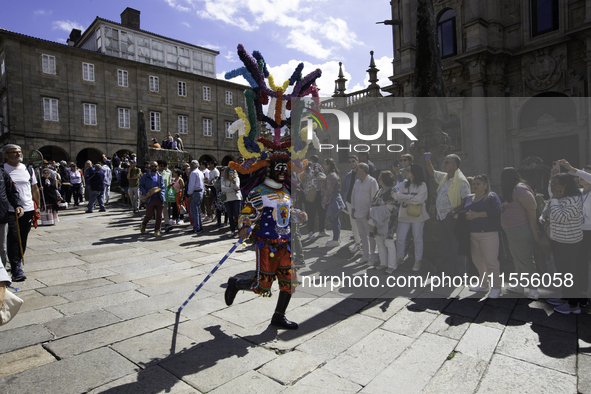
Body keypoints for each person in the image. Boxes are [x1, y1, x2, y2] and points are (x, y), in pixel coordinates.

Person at [224, 159, 298, 329]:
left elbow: (289, 212)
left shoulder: (286, 191)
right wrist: (244, 225)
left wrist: (298, 214)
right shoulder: (259, 192)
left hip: (285, 243)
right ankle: (235, 283)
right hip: (267, 244)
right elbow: (248, 211)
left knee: (290, 281)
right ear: (267, 170)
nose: (282, 172)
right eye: (277, 168)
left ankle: (279, 316)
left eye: (283, 169)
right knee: (262, 286)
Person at [542, 172, 584, 314]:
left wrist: (554, 200)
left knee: (570, 272)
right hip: (556, 239)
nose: (552, 186)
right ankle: (566, 297)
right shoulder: (555, 197)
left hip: (569, 242)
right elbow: (545, 213)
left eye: (554, 184)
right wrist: (543, 219)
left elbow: (560, 218)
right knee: (561, 270)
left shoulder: (573, 199)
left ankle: (573, 305)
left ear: (564, 185)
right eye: (551, 184)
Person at [425, 152, 471, 276]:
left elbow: (466, 200)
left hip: (452, 218)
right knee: (446, 246)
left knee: (456, 247)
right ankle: (448, 273)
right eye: (444, 162)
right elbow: (432, 172)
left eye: (446, 162)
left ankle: (460, 274)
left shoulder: (461, 181)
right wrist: (427, 159)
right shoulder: (445, 177)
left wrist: (454, 211)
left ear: (454, 165)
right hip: (442, 217)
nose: (443, 164)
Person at [500, 167, 540, 300]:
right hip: (512, 231)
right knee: (517, 259)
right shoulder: (512, 190)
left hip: (520, 229)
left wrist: (534, 230)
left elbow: (532, 208)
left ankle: (534, 289)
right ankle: (520, 285)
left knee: (526, 260)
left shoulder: (520, 188)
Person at [2, 144, 40, 282]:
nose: (18, 154)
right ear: (6, 155)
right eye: (14, 152)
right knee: (13, 238)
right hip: (10, 210)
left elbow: (34, 188)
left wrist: (38, 206)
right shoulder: (3, 170)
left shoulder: (27, 169)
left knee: (22, 238)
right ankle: (16, 267)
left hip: (28, 208)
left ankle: (17, 261)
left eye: (19, 152)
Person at [462, 174, 503, 299]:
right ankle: (484, 284)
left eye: (478, 184)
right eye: (474, 184)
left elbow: (497, 211)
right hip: (473, 233)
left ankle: (496, 287)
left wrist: (477, 215)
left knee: (491, 261)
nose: (475, 186)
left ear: (486, 185)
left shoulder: (491, 197)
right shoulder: (469, 197)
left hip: (488, 233)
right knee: (477, 261)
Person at [559, 160, 591, 308]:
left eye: (585, 174)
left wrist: (573, 169)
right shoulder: (578, 192)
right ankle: (580, 294)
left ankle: (582, 294)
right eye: (580, 175)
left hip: (590, 231)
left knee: (584, 262)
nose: (581, 177)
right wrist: (552, 177)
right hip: (579, 230)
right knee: (579, 263)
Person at [396, 164, 430, 272]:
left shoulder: (422, 185)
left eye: (409, 170)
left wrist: (405, 198)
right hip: (404, 215)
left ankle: (418, 260)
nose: (407, 172)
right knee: (400, 237)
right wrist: (411, 197)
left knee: (417, 238)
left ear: (415, 172)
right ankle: (400, 257)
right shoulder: (405, 184)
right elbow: (397, 196)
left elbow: (419, 199)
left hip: (417, 215)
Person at [0, 158, 25, 281]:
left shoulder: (2, 172)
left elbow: (11, 191)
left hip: (1, 215)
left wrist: (17, 205)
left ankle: (2, 278)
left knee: (2, 248)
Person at [369, 171, 398, 273]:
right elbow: (373, 203)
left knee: (389, 242)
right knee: (379, 241)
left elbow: (390, 207)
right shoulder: (379, 191)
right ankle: (383, 263)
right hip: (377, 220)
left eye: (380, 178)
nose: (378, 179)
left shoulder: (392, 191)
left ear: (385, 179)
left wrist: (374, 211)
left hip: (388, 221)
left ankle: (392, 265)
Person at [351, 163, 379, 265]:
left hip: (367, 214)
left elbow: (375, 199)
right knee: (362, 235)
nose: (355, 171)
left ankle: (373, 257)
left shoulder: (372, 181)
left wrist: (370, 212)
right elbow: (353, 197)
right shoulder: (357, 182)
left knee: (370, 236)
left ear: (362, 171)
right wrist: (353, 209)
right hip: (358, 213)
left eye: (357, 169)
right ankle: (365, 256)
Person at [301, 155, 328, 239]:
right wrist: (308, 168)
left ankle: (321, 230)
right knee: (311, 214)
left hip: (319, 193)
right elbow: (303, 178)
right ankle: (311, 232)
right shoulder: (305, 172)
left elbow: (323, 176)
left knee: (321, 212)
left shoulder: (319, 168)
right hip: (310, 194)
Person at [321, 158, 345, 248]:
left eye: (325, 164)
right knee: (335, 220)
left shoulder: (331, 175)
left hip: (332, 200)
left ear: (329, 165)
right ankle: (336, 238)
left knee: (334, 220)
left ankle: (335, 240)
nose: (324, 165)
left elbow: (329, 191)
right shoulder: (334, 174)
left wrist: (324, 202)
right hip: (334, 199)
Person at [139, 161, 165, 237]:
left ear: (157, 167)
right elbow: (141, 186)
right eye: (152, 166)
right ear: (150, 167)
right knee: (149, 215)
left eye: (155, 166)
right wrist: (145, 192)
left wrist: (162, 195)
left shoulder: (160, 176)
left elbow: (162, 187)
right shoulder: (145, 176)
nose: (154, 167)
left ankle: (157, 230)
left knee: (159, 216)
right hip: (150, 198)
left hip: (158, 198)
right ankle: (144, 224)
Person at [342, 155, 362, 253]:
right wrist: (345, 201)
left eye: (353, 161)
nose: (351, 163)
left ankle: (365, 246)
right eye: (350, 162)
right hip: (350, 202)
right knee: (353, 224)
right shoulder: (348, 175)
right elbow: (346, 188)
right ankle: (358, 244)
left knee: (362, 224)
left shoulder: (361, 174)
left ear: (357, 161)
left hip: (360, 202)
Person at [221, 167, 242, 237]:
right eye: (229, 172)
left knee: (237, 215)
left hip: (236, 198)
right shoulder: (223, 179)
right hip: (227, 199)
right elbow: (223, 189)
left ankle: (239, 231)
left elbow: (237, 187)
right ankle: (232, 231)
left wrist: (233, 182)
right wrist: (231, 189)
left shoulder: (236, 178)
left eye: (232, 172)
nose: (231, 173)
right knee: (230, 216)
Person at [187, 160, 204, 234]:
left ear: (192, 166)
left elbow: (191, 185)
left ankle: (196, 227)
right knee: (197, 211)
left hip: (195, 192)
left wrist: (189, 194)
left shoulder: (193, 173)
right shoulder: (200, 172)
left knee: (194, 211)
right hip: (200, 192)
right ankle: (199, 226)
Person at [157, 160, 173, 231]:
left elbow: (169, 184)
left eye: (163, 166)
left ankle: (167, 223)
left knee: (165, 210)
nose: (162, 167)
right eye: (160, 166)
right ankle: (158, 226)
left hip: (165, 194)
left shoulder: (167, 174)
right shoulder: (155, 174)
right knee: (157, 211)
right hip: (156, 194)